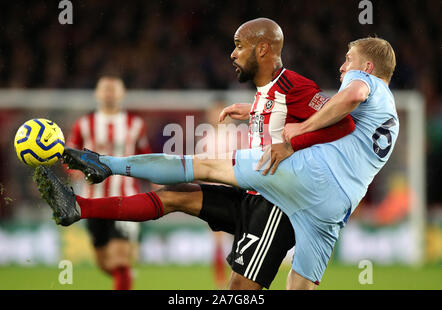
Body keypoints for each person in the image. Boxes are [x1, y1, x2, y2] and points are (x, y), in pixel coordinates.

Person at [35, 18, 356, 289]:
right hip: (253, 194)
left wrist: (291, 143)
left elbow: (345, 122)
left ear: (263, 49)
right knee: (176, 195)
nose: (233, 54)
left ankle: (105, 165)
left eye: (239, 46)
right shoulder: (265, 93)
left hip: (277, 206)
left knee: (239, 290)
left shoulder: (293, 86)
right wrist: (254, 110)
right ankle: (78, 207)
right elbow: (282, 116)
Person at [67, 76, 152, 290]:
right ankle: (125, 277)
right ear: (97, 94)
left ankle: (124, 276)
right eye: (105, 89)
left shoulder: (135, 125)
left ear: (122, 95)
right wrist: (74, 171)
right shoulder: (84, 125)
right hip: (93, 200)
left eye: (114, 90)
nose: (109, 94)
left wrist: (156, 183)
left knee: (119, 258)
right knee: (104, 262)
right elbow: (69, 155)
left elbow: (146, 157)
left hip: (126, 199)